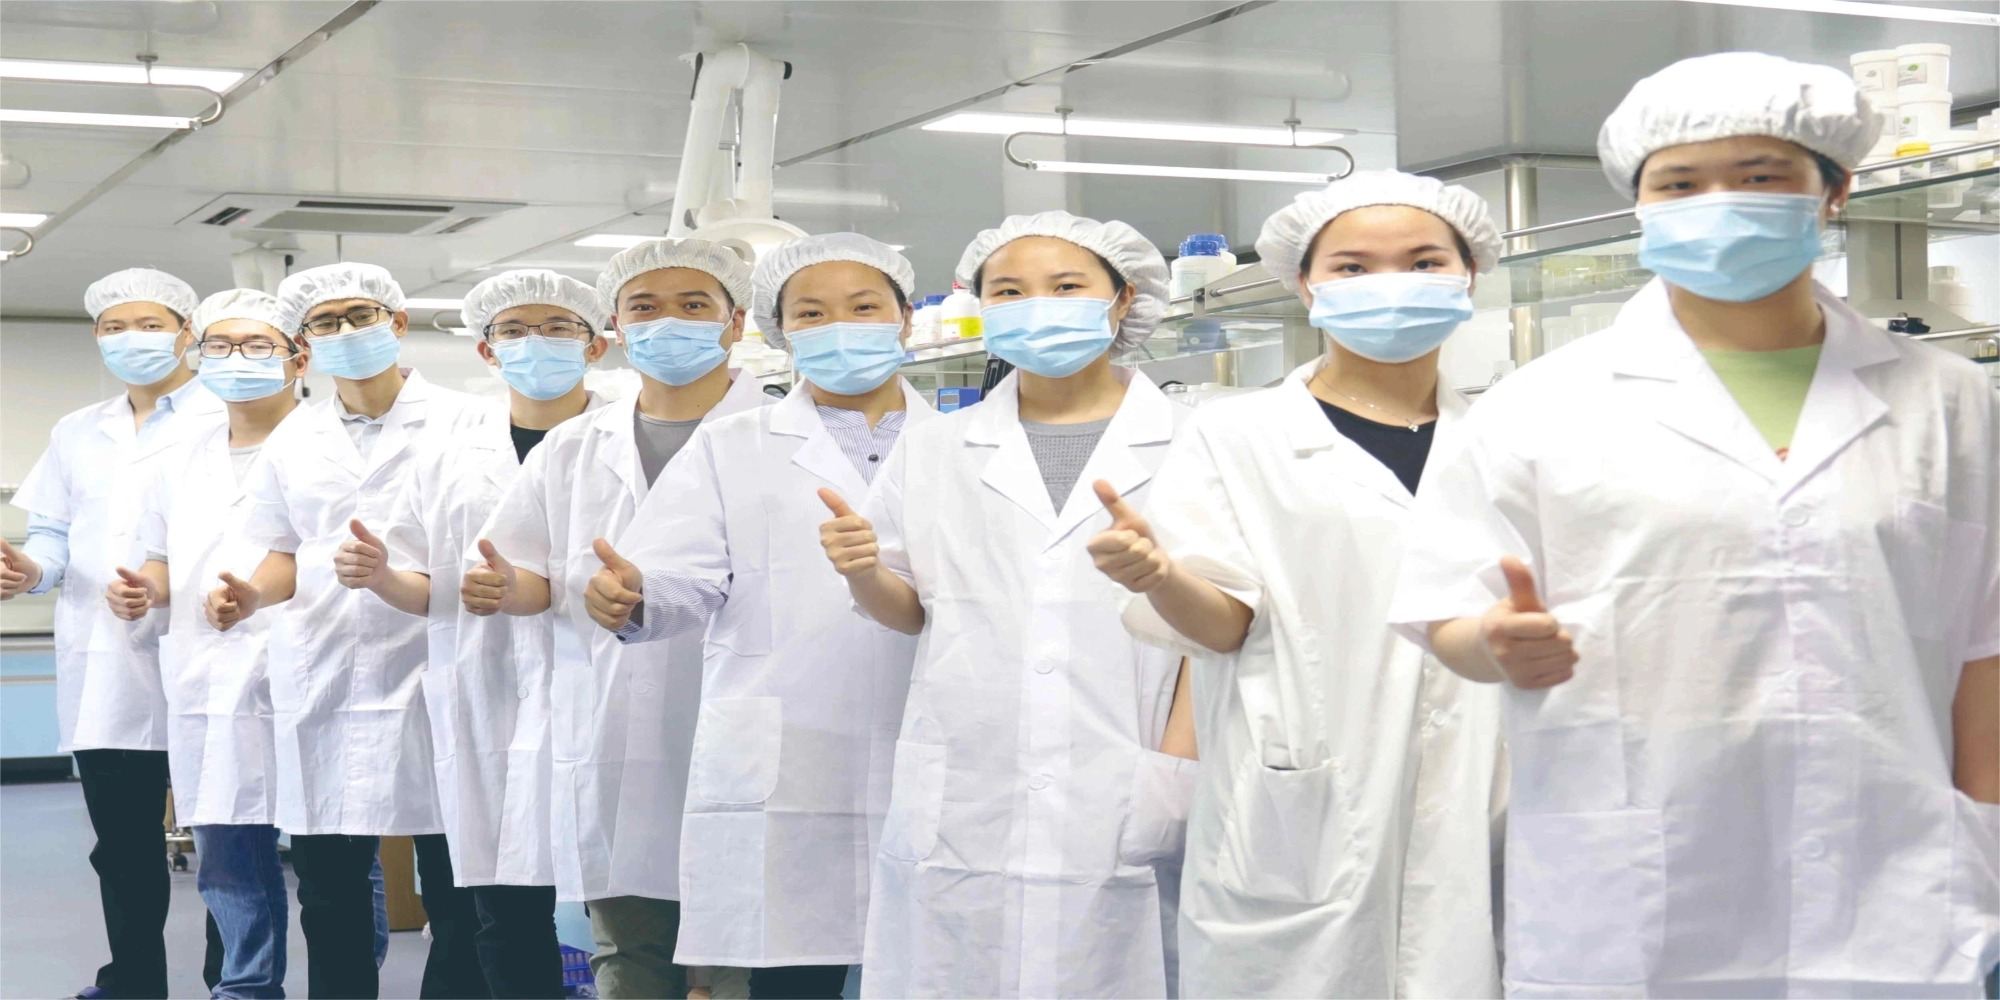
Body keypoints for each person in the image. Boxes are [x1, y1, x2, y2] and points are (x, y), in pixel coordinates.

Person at [1387, 52, 1999, 997]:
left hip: (1893, 875)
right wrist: (1493, 644)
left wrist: (1984, 834)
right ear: (1640, 205)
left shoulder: (1949, 400)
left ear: (1833, 191)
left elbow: (1984, 647)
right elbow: (1449, 616)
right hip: (1637, 884)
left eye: (1760, 176)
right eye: (1679, 184)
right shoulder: (1536, 407)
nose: (1719, 204)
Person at [1089, 171, 1509, 997]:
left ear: (1468, 276)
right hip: (1301, 794)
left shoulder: (1505, 436)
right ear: (1306, 284)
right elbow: (1223, 624)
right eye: (1352, 266)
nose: (1391, 283)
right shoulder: (1236, 434)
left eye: (1424, 262)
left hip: (1480, 787)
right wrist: (1162, 578)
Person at [822, 212, 1196, 998]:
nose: (1037, 308)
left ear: (1123, 298)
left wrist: (1174, 771)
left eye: (1066, 286)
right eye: (1010, 292)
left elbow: (1226, 622)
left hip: (1129, 763)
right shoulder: (937, 446)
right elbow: (911, 611)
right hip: (971, 783)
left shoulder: (1197, 441)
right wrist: (862, 573)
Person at [588, 233, 935, 1000]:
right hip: (792, 749)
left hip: (930, 735)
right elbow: (675, 572)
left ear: (905, 318)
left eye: (864, 307)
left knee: (933, 963)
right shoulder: (732, 445)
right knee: (792, 975)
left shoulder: (960, 445)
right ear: (781, 332)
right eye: (811, 312)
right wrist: (634, 594)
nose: (839, 326)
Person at [474, 239, 772, 999]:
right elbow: (533, 575)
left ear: (735, 322)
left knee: (748, 955)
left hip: (743, 717)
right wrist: (506, 587)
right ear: (617, 326)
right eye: (645, 307)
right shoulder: (572, 448)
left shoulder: (782, 436)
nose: (668, 321)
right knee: (628, 953)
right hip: (614, 723)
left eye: (693, 305)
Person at [204, 262, 485, 999]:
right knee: (329, 887)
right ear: (306, 343)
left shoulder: (468, 422)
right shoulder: (295, 437)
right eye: (325, 323)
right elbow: (280, 550)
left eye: (359, 316)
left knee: (457, 883)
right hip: (325, 667)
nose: (344, 332)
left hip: (438, 660)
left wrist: (392, 577)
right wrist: (251, 595)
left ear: (397, 323)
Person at [335, 270, 612, 998]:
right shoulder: (447, 454)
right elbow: (422, 582)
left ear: (596, 345)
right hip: (485, 693)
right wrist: (380, 576)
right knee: (502, 909)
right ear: (488, 352)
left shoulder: (625, 443)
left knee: (626, 902)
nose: (535, 343)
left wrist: (541, 591)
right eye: (513, 330)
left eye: (557, 327)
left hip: (607, 690)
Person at [5, 267, 225, 999]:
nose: (132, 339)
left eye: (150, 325)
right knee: (123, 846)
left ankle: (232, 981)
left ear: (187, 334)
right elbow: (52, 534)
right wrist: (31, 572)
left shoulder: (226, 414)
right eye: (114, 327)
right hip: (104, 659)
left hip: (209, 645)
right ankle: (132, 981)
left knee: (228, 839)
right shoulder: (77, 430)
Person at [103, 289, 304, 999]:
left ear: (297, 358)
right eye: (219, 346)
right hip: (208, 672)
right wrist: (144, 589)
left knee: (334, 864)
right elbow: (160, 557)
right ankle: (246, 989)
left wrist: (258, 595)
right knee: (226, 852)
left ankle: (347, 982)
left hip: (310, 667)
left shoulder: (326, 447)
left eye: (256, 345)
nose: (235, 360)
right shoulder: (179, 458)